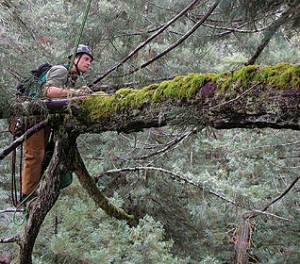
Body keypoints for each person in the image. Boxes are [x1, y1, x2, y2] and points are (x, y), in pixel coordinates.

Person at [21, 44, 94, 202]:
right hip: (33, 116)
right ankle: (27, 196)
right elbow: (48, 91)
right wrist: (75, 93)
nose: (88, 63)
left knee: (43, 154)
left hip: (43, 117)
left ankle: (35, 189)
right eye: (86, 59)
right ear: (75, 58)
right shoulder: (62, 70)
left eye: (90, 61)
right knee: (34, 154)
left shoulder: (70, 77)